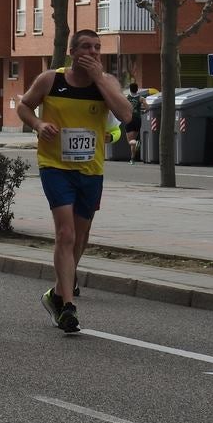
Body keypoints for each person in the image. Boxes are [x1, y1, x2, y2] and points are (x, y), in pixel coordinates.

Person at [17, 29, 132, 334]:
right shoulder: (50, 80)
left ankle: (55, 294)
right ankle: (68, 306)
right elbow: (24, 106)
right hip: (55, 166)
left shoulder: (107, 84)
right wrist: (39, 124)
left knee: (80, 238)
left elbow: (125, 113)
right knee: (65, 234)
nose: (93, 53)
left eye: (97, 48)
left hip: (91, 170)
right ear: (72, 52)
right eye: (86, 47)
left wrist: (100, 81)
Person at [125, 82, 145, 164]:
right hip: (137, 119)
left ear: (130, 89)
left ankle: (137, 142)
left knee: (130, 141)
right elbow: (148, 107)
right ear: (137, 89)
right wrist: (143, 110)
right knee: (133, 140)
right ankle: (132, 159)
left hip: (129, 119)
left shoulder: (127, 98)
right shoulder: (141, 98)